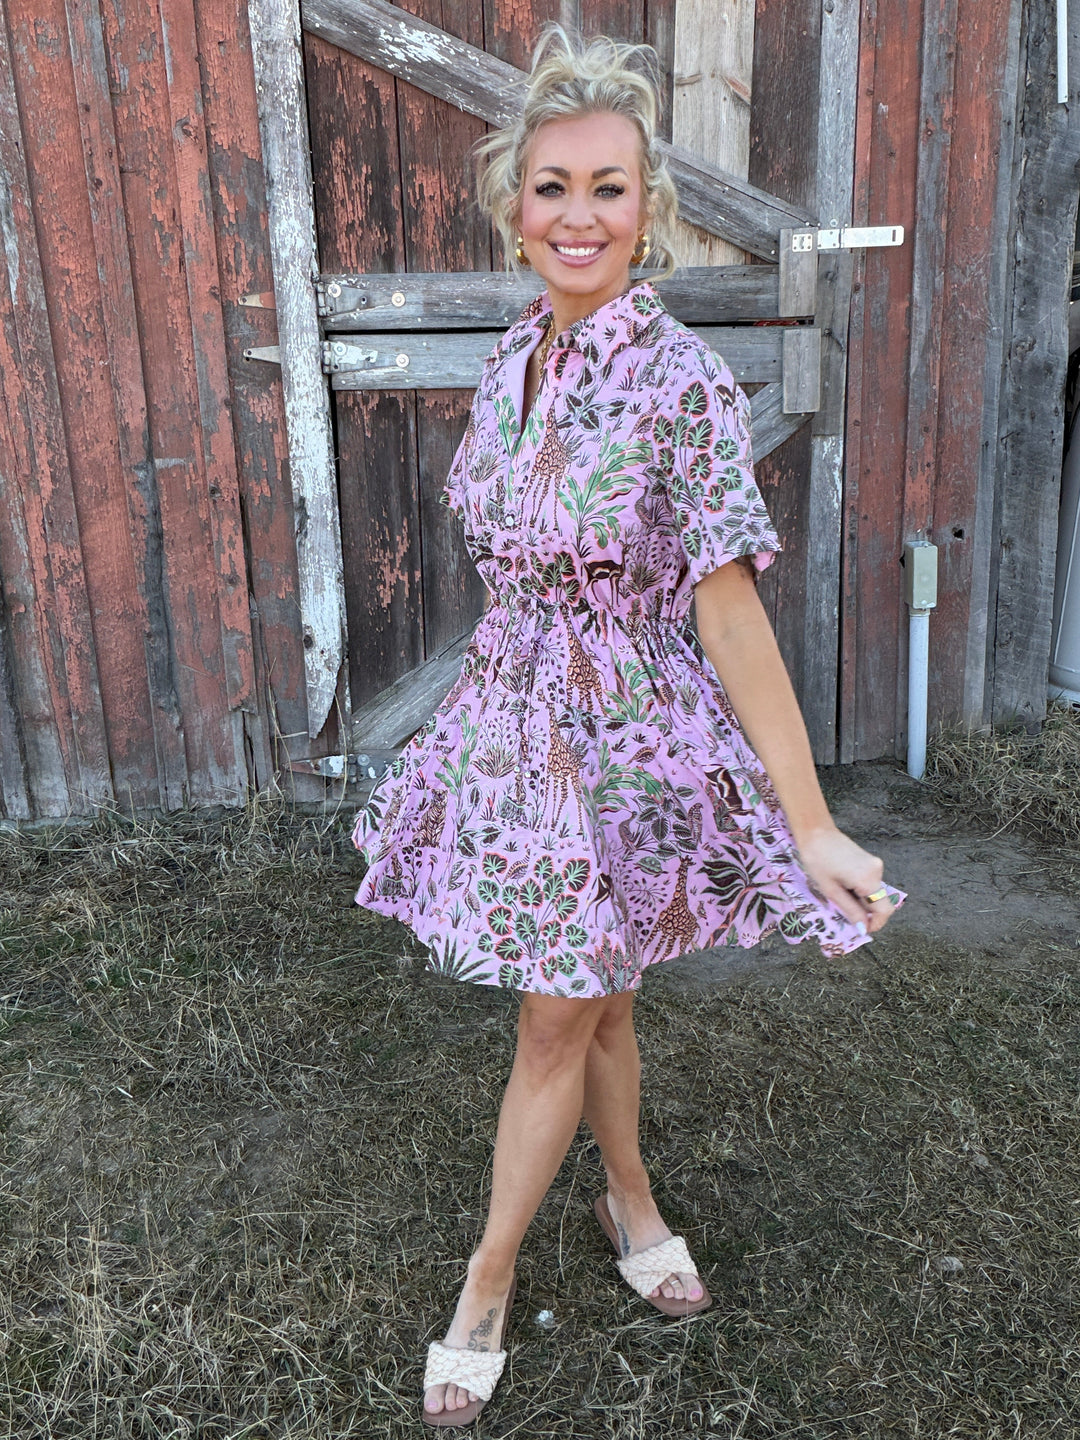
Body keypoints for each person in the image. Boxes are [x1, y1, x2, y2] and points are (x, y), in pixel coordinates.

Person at [351, 25, 903, 1428]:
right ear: (512, 207)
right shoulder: (510, 362)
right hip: (516, 727)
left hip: (630, 738)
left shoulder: (682, 387)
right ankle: (634, 1203)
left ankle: (485, 1283)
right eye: (552, 188)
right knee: (590, 995)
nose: (578, 216)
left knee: (560, 1014)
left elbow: (728, 620)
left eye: (608, 188)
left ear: (648, 211)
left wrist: (812, 820)